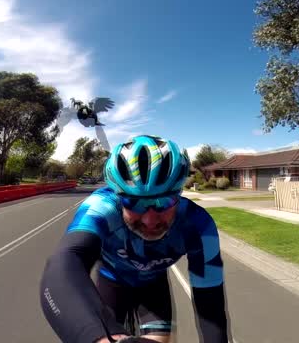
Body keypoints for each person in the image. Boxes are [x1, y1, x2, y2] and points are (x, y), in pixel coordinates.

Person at [40, 135, 229, 343]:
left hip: (153, 288)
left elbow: (210, 305)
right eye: (133, 202)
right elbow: (63, 263)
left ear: (179, 194)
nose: (149, 220)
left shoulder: (198, 225)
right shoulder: (101, 207)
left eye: (164, 201)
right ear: (118, 197)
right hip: (112, 282)